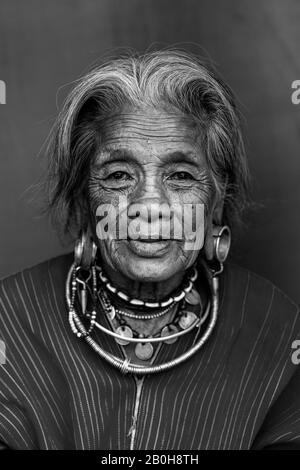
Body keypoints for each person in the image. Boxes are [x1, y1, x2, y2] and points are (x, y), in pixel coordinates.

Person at [0, 49, 299, 450]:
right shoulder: (13, 320)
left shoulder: (275, 328)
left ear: (215, 201)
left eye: (180, 176)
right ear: (84, 199)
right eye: (119, 175)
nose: (151, 206)